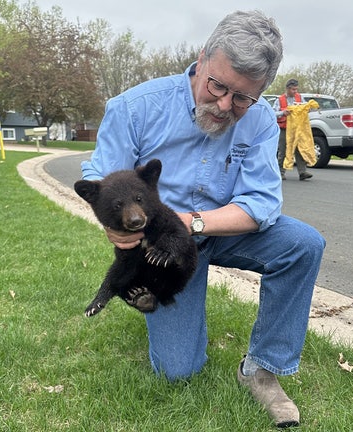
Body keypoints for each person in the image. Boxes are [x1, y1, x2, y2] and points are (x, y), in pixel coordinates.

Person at [80, 10, 325, 428]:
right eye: (218, 86)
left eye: (243, 98)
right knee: (177, 370)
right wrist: (118, 229)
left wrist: (193, 223)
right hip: (159, 248)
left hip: (219, 228)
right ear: (202, 58)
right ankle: (162, 311)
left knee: (303, 244)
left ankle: (262, 370)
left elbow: (262, 203)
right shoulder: (136, 108)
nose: (225, 105)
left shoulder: (264, 120)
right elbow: (97, 179)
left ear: (262, 91)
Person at [274, 79, 313, 181]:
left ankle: (302, 172)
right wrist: (283, 113)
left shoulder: (300, 98)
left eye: (296, 89)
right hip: (284, 129)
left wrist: (307, 109)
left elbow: (306, 107)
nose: (295, 91)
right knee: (283, 151)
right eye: (293, 89)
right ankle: (280, 172)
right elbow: (273, 113)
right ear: (287, 88)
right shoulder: (279, 100)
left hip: (297, 130)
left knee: (300, 150)